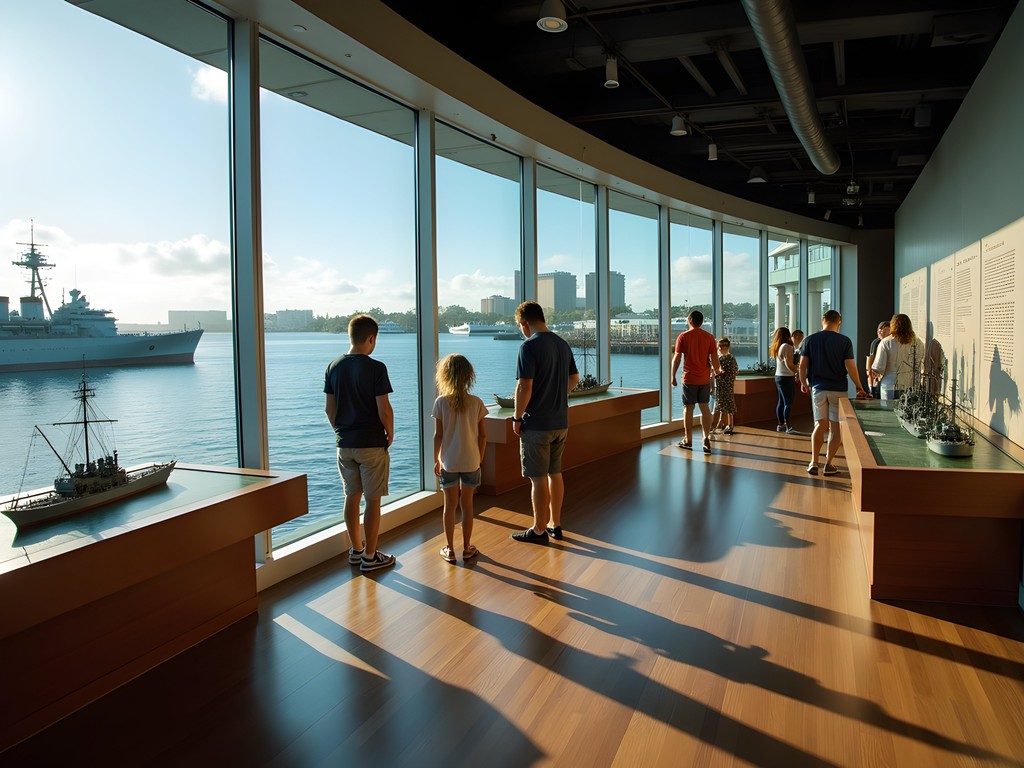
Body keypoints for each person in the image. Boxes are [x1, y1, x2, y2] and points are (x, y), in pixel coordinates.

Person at [324, 314, 397, 572]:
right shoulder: (376, 368)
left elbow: (329, 410)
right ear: (371, 338)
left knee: (351, 497)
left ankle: (355, 551)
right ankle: (370, 556)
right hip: (371, 443)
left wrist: (342, 432)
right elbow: (384, 409)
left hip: (344, 444)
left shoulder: (333, 366)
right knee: (373, 500)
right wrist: (390, 433)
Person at [510, 301, 579, 544]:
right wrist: (558, 394)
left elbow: (524, 386)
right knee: (555, 473)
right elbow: (574, 378)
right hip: (560, 421)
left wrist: (517, 417)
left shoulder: (528, 346)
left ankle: (539, 529)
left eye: (521, 326)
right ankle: (554, 523)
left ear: (525, 323)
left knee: (538, 478)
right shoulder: (562, 343)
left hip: (537, 424)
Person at [798, 310, 870, 476]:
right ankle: (828, 464)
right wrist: (859, 387)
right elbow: (850, 367)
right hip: (838, 388)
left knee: (819, 425)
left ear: (823, 320)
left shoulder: (810, 340)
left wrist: (803, 383)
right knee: (835, 427)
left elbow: (802, 366)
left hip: (818, 388)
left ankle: (813, 462)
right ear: (839, 322)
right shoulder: (844, 341)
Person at [432, 354, 488, 563]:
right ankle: (466, 548)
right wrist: (479, 458)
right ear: (468, 376)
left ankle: (449, 548)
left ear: (444, 376)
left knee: (450, 506)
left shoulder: (441, 403)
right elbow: (483, 435)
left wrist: (437, 460)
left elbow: (438, 435)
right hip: (472, 461)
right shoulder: (476, 402)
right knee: (468, 505)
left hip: (449, 462)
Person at [670, 310, 721, 453]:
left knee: (688, 408)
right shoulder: (709, 337)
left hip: (689, 378)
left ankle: (688, 439)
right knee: (705, 408)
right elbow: (714, 359)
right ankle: (706, 437)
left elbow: (677, 358)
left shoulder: (683, 336)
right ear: (701, 321)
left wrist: (672, 375)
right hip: (704, 378)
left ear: (689, 321)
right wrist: (717, 372)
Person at [870, 313, 925, 401]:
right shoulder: (918, 342)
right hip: (911, 385)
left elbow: (879, 367)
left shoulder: (886, 342)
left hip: (890, 385)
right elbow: (919, 363)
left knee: (889, 413)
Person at [770, 327, 798, 433]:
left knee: (781, 402)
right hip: (786, 377)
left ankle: (781, 424)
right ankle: (788, 427)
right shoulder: (787, 346)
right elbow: (789, 364)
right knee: (788, 402)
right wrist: (798, 370)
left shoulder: (779, 346)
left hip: (778, 377)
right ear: (788, 335)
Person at [711, 337, 738, 435]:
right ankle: (729, 425)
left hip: (720, 386)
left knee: (717, 407)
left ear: (719, 347)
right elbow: (735, 371)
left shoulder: (720, 359)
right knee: (729, 406)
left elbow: (715, 371)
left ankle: (712, 427)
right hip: (729, 386)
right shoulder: (732, 358)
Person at [865, 320, 890, 399]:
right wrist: (871, 385)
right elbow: (869, 364)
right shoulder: (876, 343)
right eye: (880, 330)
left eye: (885, 330)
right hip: (877, 376)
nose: (882, 332)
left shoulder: (892, 342)